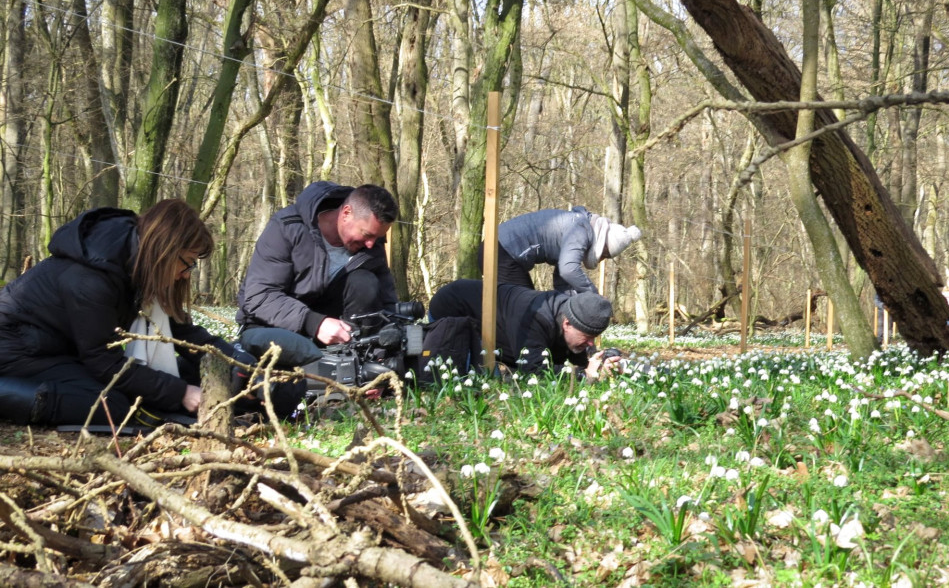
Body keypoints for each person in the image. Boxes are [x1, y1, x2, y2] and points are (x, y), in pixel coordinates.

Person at [0, 200, 259, 427]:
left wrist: (237, 367)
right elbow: (102, 360)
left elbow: (183, 333)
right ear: (164, 251)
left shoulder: (140, 267)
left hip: (57, 349)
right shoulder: (91, 279)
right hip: (17, 349)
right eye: (187, 262)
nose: (187, 273)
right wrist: (182, 393)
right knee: (112, 407)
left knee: (143, 392)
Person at [236, 181, 399, 372]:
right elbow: (259, 297)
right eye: (367, 234)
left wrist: (387, 348)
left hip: (336, 338)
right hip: (271, 327)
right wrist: (315, 323)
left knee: (364, 282)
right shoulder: (286, 228)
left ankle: (356, 365)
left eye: (377, 238)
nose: (371, 244)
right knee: (299, 351)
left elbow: (386, 306)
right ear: (346, 213)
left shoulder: (371, 245)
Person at [428, 279, 620, 377]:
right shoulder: (535, 318)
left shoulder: (569, 314)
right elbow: (533, 369)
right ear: (567, 323)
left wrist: (595, 365)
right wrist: (583, 375)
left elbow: (573, 354)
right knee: (474, 379)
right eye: (587, 337)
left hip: (490, 314)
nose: (590, 343)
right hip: (453, 309)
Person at [480, 207, 641, 294]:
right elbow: (568, 270)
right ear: (603, 244)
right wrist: (592, 295)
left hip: (501, 251)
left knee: (522, 304)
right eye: (605, 254)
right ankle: (520, 354)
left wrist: (574, 302)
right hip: (500, 252)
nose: (601, 260)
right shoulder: (580, 228)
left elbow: (564, 283)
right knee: (525, 308)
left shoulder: (573, 229)